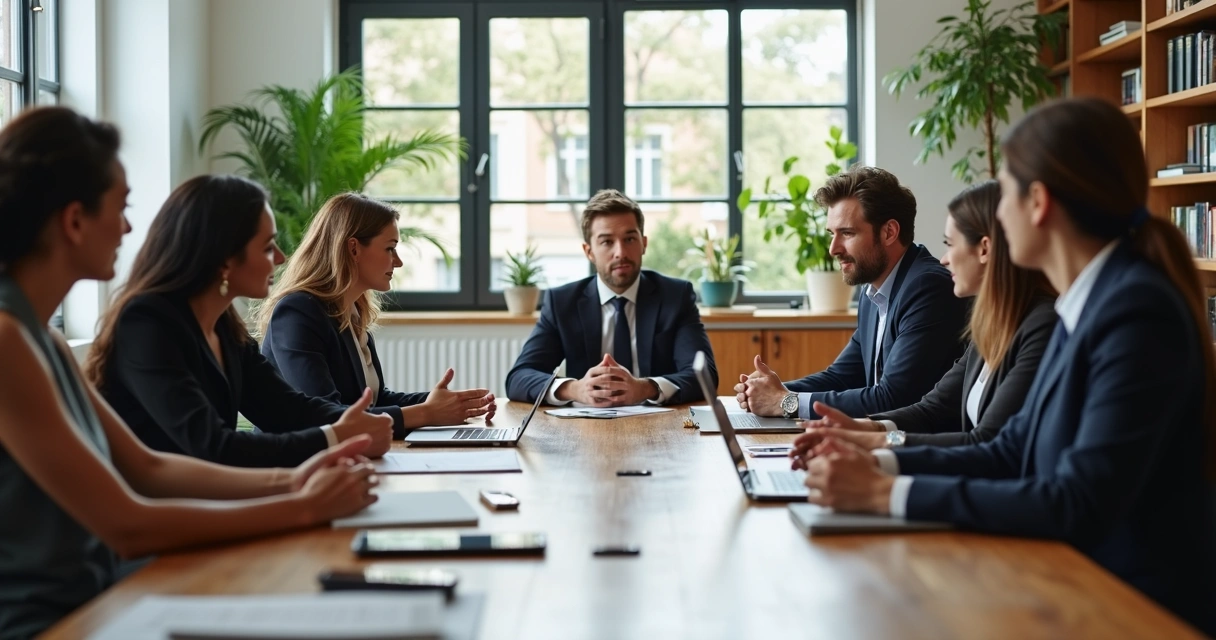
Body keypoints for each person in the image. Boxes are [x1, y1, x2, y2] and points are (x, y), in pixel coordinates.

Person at [795, 98, 1216, 636]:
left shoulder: (1134, 311)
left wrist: (883, 493)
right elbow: (1011, 450)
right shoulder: (1085, 304)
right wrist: (875, 464)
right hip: (1071, 580)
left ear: (1037, 203)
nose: (996, 212)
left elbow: (1077, 501)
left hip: (1128, 608)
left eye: (1006, 191)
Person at [0, 106, 379, 640]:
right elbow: (127, 524)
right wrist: (298, 507)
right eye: (122, 208)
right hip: (50, 620)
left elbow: (150, 468)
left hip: (96, 596)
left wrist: (295, 481)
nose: (130, 226)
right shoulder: (9, 341)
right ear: (74, 220)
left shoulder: (47, 341)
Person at [86, 175, 394, 468]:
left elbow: (287, 409)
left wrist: (358, 423)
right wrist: (337, 436)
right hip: (157, 514)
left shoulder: (223, 325)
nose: (280, 258)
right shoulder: (147, 324)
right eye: (266, 247)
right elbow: (214, 448)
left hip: (205, 502)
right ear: (224, 257)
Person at [791, 180, 1056, 450]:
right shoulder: (993, 323)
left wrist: (880, 451)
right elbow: (931, 409)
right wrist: (868, 429)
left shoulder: (1040, 325)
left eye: (950, 244)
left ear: (985, 249)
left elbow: (984, 443)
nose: (944, 259)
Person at [735, 166, 969, 420]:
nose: (833, 249)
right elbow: (843, 376)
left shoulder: (928, 288)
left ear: (889, 232)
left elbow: (894, 398)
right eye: (832, 234)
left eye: (847, 233)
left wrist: (785, 402)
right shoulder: (875, 291)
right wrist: (768, 391)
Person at [258, 192, 496, 438]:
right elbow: (327, 416)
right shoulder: (298, 312)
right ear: (353, 249)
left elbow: (375, 400)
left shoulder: (353, 313)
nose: (399, 261)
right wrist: (426, 413)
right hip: (296, 466)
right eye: (390, 248)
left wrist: (452, 404)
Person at [505, 189, 716, 406]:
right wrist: (575, 389)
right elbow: (519, 378)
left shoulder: (675, 297)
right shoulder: (562, 303)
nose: (620, 252)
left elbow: (704, 375)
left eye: (630, 239)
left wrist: (644, 388)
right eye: (606, 242)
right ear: (589, 251)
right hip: (584, 428)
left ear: (644, 243)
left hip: (660, 427)